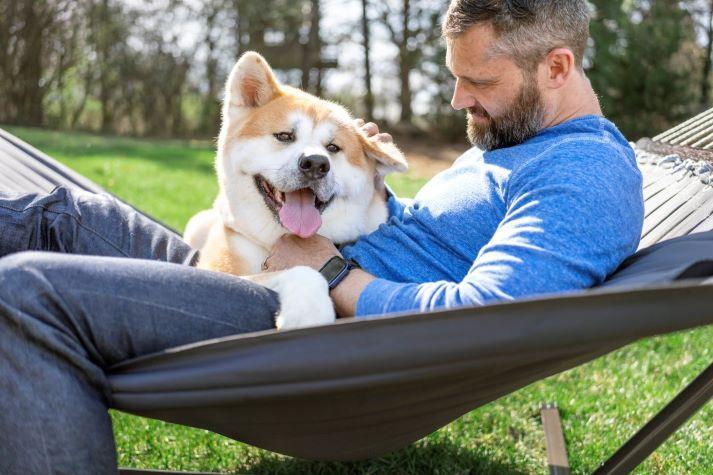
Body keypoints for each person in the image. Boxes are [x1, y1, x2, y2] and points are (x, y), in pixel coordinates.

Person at [0, 1, 643, 473]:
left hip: (307, 324)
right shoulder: (514, 141)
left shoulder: (581, 175)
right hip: (281, 272)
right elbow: (434, 235)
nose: (456, 99)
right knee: (63, 215)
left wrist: (331, 272)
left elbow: (489, 316)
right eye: (456, 76)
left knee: (27, 291)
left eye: (478, 82)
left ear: (557, 67)